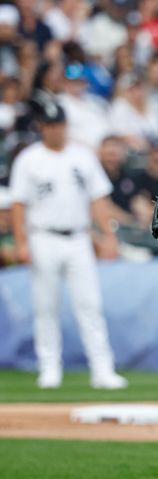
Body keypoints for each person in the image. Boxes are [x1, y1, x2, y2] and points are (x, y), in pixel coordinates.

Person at [9, 100, 127, 390]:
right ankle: (49, 368)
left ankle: (102, 370)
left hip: (79, 237)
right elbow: (18, 205)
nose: (56, 130)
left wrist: (108, 236)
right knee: (45, 306)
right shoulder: (29, 159)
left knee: (89, 305)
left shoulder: (82, 157)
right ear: (42, 128)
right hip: (43, 236)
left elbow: (98, 199)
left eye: (59, 124)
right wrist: (21, 242)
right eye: (50, 125)